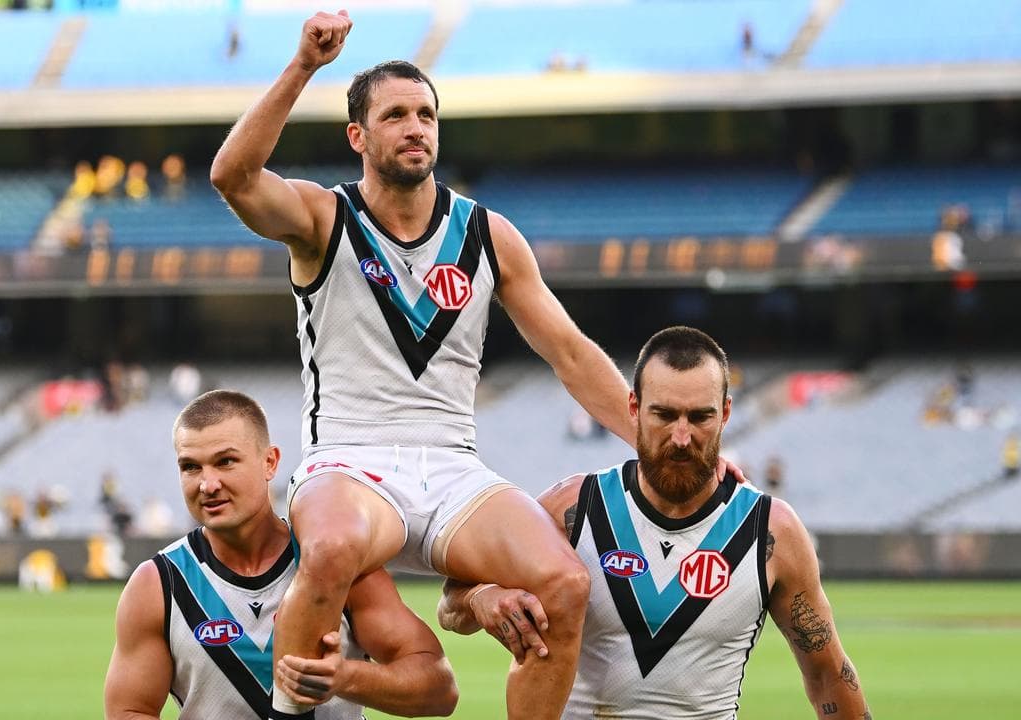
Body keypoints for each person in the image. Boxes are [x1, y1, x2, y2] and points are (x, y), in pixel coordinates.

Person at [211, 11, 667, 718]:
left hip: (453, 466)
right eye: (395, 115)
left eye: (426, 113)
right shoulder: (323, 220)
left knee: (565, 585)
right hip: (350, 463)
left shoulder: (488, 234)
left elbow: (572, 355)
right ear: (358, 136)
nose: (416, 126)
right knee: (329, 550)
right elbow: (233, 177)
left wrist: (656, 447)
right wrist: (304, 65)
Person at [439, 327, 871, 719]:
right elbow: (451, 604)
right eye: (664, 415)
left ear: (725, 413)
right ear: (633, 407)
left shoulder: (771, 531)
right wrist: (483, 597)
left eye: (699, 417)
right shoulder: (574, 508)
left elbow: (828, 675)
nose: (681, 437)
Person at [103, 390, 457, 720]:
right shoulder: (158, 584)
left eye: (225, 462)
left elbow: (440, 687)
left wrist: (347, 677)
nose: (207, 484)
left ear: (270, 462)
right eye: (190, 467)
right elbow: (130, 711)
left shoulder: (332, 560)